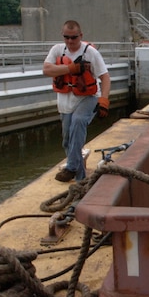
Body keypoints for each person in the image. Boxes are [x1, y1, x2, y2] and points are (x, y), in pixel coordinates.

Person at [43, 20, 111, 182]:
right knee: (69, 140)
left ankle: (73, 169)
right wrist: (70, 68)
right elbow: (47, 70)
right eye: (66, 37)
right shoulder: (57, 50)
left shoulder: (91, 53)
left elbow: (105, 77)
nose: (70, 41)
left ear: (81, 36)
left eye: (73, 37)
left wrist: (104, 100)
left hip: (88, 98)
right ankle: (79, 176)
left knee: (78, 122)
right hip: (66, 103)